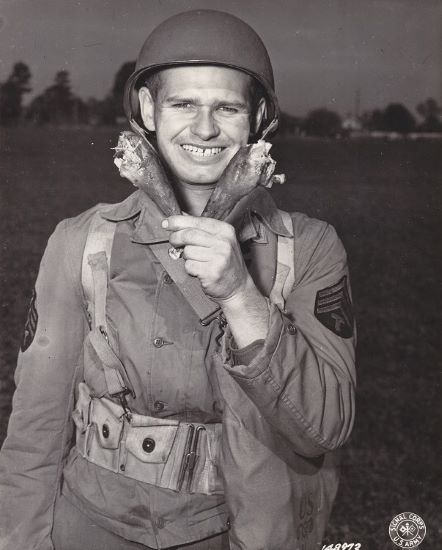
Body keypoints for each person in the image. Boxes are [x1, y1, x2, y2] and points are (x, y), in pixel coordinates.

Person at [0, 9, 356, 550]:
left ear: (257, 118)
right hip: (89, 525)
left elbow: (326, 425)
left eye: (228, 107)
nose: (205, 128)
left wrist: (240, 294)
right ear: (148, 109)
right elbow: (33, 430)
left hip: (231, 530)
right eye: (183, 103)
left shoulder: (306, 249)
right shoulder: (81, 240)